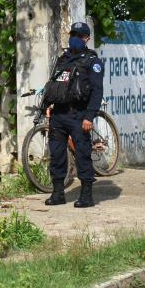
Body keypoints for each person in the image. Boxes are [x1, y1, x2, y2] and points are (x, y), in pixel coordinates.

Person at [45, 21, 105, 208]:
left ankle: (86, 195)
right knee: (56, 155)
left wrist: (89, 116)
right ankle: (58, 193)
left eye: (80, 36)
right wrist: (48, 104)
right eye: (73, 35)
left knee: (82, 154)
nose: (75, 39)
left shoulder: (92, 62)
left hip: (79, 115)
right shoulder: (62, 60)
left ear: (87, 38)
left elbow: (97, 91)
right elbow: (55, 84)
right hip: (59, 114)